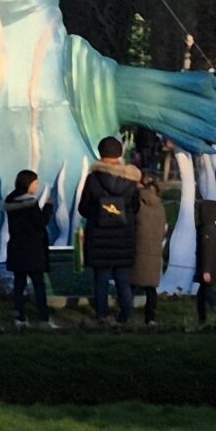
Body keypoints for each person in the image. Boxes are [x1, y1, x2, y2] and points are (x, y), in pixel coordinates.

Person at [77, 137, 141, 324]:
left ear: (100, 153)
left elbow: (84, 208)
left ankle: (102, 315)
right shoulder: (131, 180)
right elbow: (135, 207)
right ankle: (126, 315)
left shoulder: (93, 178)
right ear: (120, 154)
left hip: (99, 238)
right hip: (123, 238)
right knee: (123, 278)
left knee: (101, 279)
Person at [3, 169, 53, 329]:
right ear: (28, 183)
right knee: (39, 284)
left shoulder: (10, 201)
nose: (37, 186)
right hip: (33, 250)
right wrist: (48, 208)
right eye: (35, 182)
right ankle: (44, 317)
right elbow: (39, 223)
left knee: (19, 284)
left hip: (17, 248)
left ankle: (20, 316)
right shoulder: (30, 203)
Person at [131, 170, 167, 326]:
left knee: (131, 284)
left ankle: (126, 314)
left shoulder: (137, 203)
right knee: (151, 288)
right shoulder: (161, 207)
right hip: (154, 252)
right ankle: (150, 318)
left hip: (137, 249)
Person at [193, 192, 216, 324]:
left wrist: (206, 270)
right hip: (212, 269)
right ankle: (203, 320)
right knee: (203, 296)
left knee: (210, 297)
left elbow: (208, 251)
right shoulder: (211, 228)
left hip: (210, 271)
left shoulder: (206, 230)